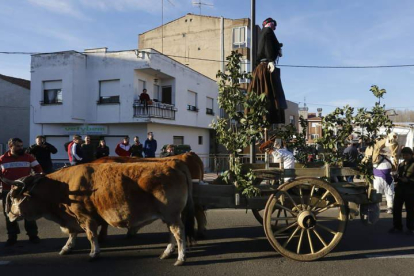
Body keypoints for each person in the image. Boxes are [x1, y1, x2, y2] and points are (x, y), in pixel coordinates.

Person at [0, 138, 43, 246]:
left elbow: (39, 170)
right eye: (18, 146)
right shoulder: (2, 159)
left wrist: (35, 179)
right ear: (10, 146)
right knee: (9, 214)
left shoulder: (29, 157)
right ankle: (12, 236)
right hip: (8, 191)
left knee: (29, 212)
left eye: (21, 145)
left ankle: (33, 235)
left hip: (25, 191)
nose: (21, 148)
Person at [248, 17, 287, 124]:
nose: (275, 28)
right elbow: (268, 45)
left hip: (260, 67)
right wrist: (270, 60)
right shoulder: (268, 31)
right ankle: (268, 118)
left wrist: (278, 48)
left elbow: (261, 49)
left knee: (264, 91)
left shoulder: (262, 33)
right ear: (270, 24)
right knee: (271, 92)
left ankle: (263, 119)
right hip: (266, 66)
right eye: (274, 25)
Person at [389, 147, 414, 234]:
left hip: (410, 191)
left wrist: (409, 181)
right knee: (396, 209)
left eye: (406, 155)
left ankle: (411, 228)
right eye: (403, 155)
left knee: (410, 210)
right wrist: (395, 177)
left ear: (411, 155)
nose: (405, 156)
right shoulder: (401, 164)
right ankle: (397, 227)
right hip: (400, 190)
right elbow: (399, 177)